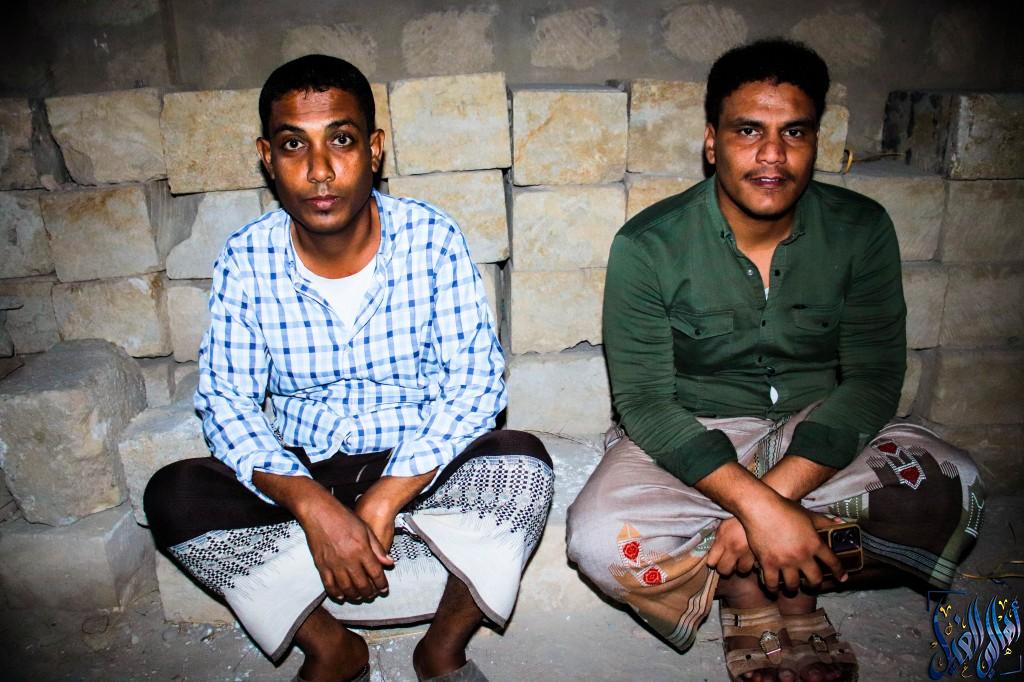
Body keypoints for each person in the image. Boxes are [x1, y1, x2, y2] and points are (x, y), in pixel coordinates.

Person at [566, 39, 984, 682]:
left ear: (814, 142)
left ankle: (781, 577)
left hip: (817, 428)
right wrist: (758, 510)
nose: (772, 154)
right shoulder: (648, 245)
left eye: (794, 132)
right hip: (695, 433)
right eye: (748, 131)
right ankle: (750, 589)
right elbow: (645, 403)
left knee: (952, 486)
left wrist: (769, 504)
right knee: (601, 543)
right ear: (712, 143)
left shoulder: (861, 228)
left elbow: (872, 379)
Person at [144, 54, 553, 682]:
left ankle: (441, 650)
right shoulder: (247, 258)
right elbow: (227, 401)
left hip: (417, 464)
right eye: (293, 145)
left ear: (374, 149)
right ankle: (333, 648)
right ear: (267, 157)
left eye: (341, 140)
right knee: (174, 493)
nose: (319, 170)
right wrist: (312, 505)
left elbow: (476, 386)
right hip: (306, 465)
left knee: (521, 464)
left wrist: (390, 493)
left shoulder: (431, 239)